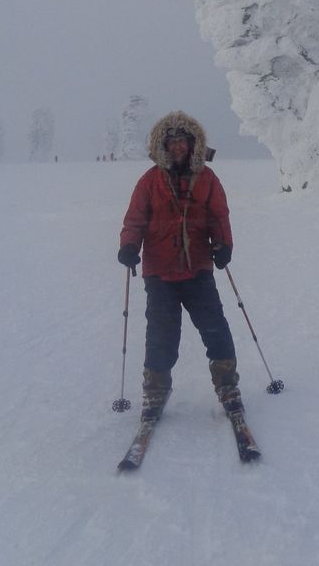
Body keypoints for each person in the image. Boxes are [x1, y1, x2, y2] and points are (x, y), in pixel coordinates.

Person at [118, 110, 242, 424]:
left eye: (182, 142)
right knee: (161, 335)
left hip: (198, 267)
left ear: (192, 144)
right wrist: (129, 246)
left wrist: (224, 245)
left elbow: (218, 216)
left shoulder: (208, 179)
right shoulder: (149, 181)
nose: (177, 148)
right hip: (159, 272)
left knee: (215, 328)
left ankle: (228, 386)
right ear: (162, 145)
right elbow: (135, 219)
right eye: (171, 142)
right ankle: (155, 392)